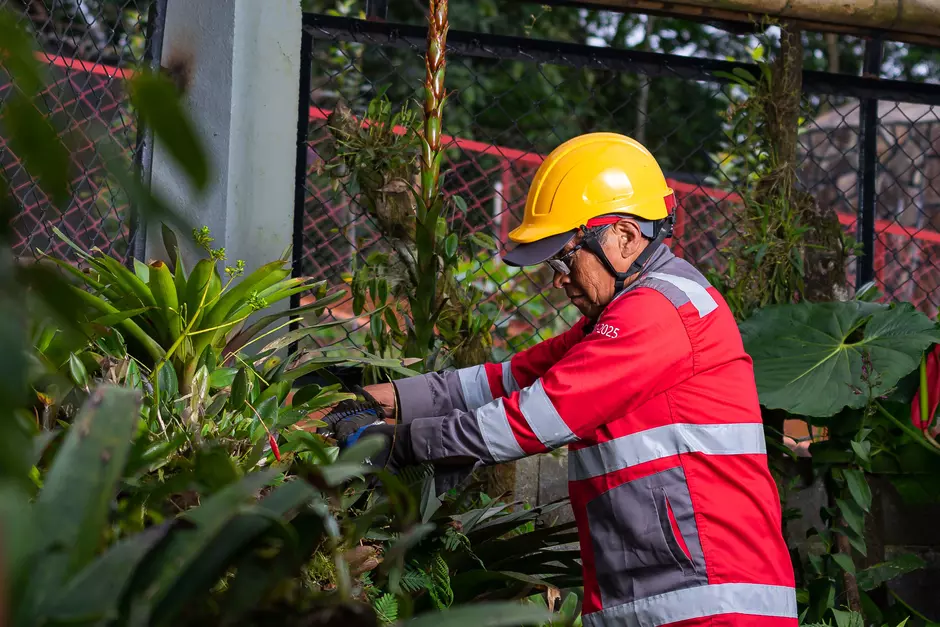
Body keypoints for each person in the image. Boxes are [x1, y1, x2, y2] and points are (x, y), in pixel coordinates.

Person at [320, 132, 797, 626]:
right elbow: (508, 378)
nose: (559, 278)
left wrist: (396, 443)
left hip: (710, 608)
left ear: (627, 238)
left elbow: (528, 420)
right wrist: (384, 397)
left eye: (567, 257)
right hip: (666, 600)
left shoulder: (657, 314)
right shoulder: (629, 315)